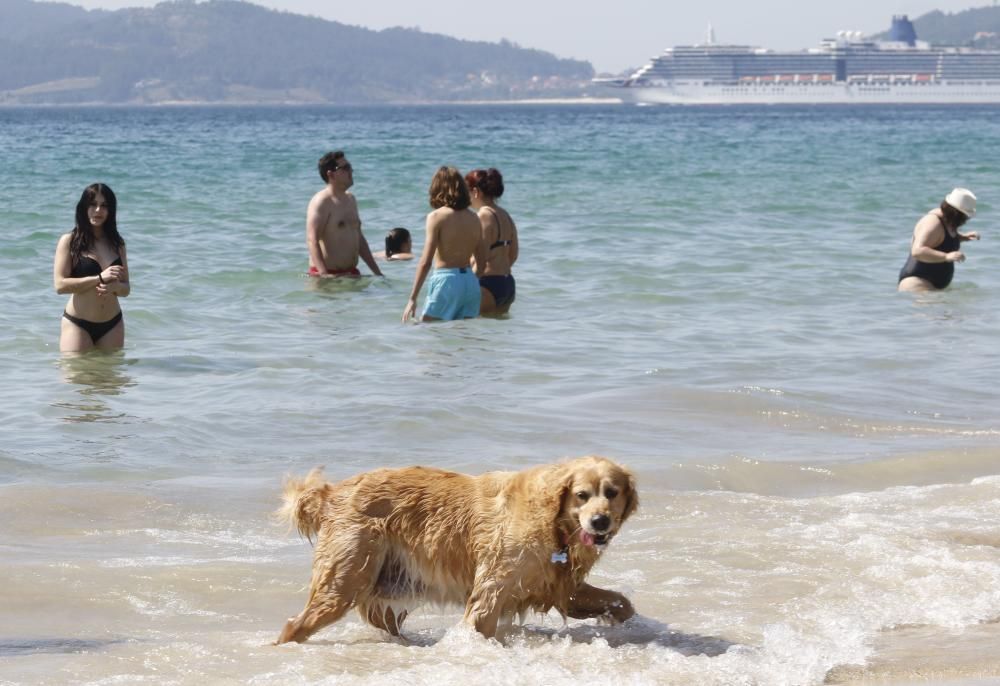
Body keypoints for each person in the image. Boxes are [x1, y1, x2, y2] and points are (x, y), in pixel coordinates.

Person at [403, 167, 488, 322]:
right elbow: (482, 263)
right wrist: (467, 283)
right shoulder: (474, 218)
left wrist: (412, 298)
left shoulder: (436, 216)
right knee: (464, 338)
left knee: (429, 332)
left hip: (446, 280)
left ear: (437, 188)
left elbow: (425, 263)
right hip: (470, 282)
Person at [53, 183, 130, 352]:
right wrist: (99, 278)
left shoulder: (117, 243)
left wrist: (116, 287)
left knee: (111, 376)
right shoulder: (69, 241)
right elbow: (60, 286)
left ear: (111, 211)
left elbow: (126, 289)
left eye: (104, 206)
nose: (97, 210)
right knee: (77, 376)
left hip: (113, 324)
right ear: (83, 207)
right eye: (92, 204)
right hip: (78, 323)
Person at [305, 151, 383, 278]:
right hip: (328, 276)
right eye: (345, 168)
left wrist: (378, 273)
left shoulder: (351, 199)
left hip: (352, 274)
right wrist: (324, 274)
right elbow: (312, 240)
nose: (351, 171)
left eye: (350, 167)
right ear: (331, 174)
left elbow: (360, 240)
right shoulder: (321, 201)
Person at [898, 188, 980, 292]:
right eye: (965, 217)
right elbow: (917, 251)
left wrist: (962, 237)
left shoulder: (948, 221)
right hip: (917, 283)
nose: (965, 220)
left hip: (932, 286)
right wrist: (946, 256)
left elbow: (940, 241)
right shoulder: (933, 223)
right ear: (956, 214)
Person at [466, 168, 518, 315]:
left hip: (487, 285)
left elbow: (480, 260)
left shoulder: (483, 215)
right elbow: (513, 255)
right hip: (507, 284)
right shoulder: (506, 215)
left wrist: (469, 285)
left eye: (466, 191)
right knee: (494, 335)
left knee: (470, 334)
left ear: (476, 192)